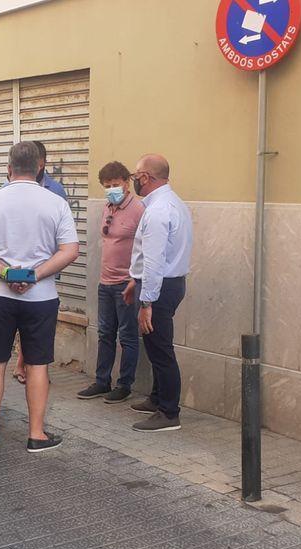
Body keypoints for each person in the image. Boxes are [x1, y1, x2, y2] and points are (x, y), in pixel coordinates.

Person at [0, 141, 79, 453]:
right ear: (40, 168)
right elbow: (70, 250)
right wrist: (36, 275)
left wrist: (5, 274)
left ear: (8, 168)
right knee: (38, 364)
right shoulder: (55, 203)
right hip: (41, 297)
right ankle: (36, 435)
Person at [123, 153, 193, 432]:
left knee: (161, 349)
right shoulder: (172, 203)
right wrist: (134, 281)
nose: (133, 181)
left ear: (146, 178)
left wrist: (146, 301)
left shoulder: (157, 211)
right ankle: (157, 398)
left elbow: (154, 260)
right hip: (169, 284)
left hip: (159, 288)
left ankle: (168, 412)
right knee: (154, 345)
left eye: (135, 176)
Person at [77, 161, 144, 403]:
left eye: (116, 185)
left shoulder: (139, 209)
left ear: (127, 183)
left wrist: (136, 280)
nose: (112, 189)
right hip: (105, 282)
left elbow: (146, 248)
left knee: (127, 336)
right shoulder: (108, 207)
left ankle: (124, 385)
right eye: (107, 186)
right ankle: (101, 381)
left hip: (126, 283)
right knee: (105, 333)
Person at [12, 140, 71, 386]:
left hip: (45, 268)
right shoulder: (9, 189)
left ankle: (31, 366)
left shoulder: (56, 192)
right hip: (13, 271)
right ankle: (22, 363)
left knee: (36, 319)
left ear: (41, 164)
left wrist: (40, 271)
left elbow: (64, 240)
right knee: (21, 316)